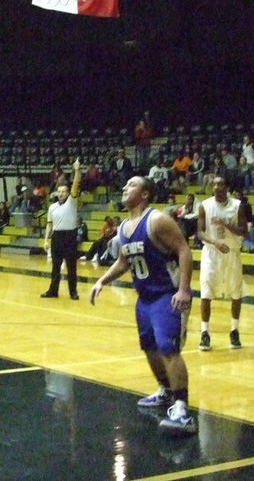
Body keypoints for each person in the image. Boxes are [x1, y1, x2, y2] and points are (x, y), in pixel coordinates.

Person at [89, 176, 196, 436]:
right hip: (144, 298)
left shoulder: (157, 220)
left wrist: (183, 290)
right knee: (148, 347)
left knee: (167, 348)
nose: (125, 188)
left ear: (145, 194)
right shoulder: (125, 226)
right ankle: (165, 390)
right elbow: (124, 262)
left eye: (132, 185)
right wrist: (102, 280)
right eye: (124, 185)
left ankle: (182, 408)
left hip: (167, 295)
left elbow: (184, 250)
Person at [197, 176, 247, 350]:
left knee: (236, 293)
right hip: (211, 253)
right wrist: (214, 242)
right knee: (206, 292)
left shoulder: (237, 205)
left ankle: (234, 331)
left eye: (220, 184)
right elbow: (200, 232)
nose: (217, 187)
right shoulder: (204, 205)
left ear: (227, 187)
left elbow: (244, 232)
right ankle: (204, 333)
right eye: (215, 184)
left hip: (232, 253)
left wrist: (226, 224)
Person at [41, 159, 82, 300]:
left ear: (68, 192)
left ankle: (73, 291)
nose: (61, 194)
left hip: (70, 236)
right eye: (59, 192)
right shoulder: (52, 207)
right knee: (55, 266)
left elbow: (76, 184)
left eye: (64, 191)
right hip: (57, 237)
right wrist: (46, 240)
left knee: (72, 266)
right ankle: (53, 290)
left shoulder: (72, 202)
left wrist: (76, 170)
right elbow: (49, 225)